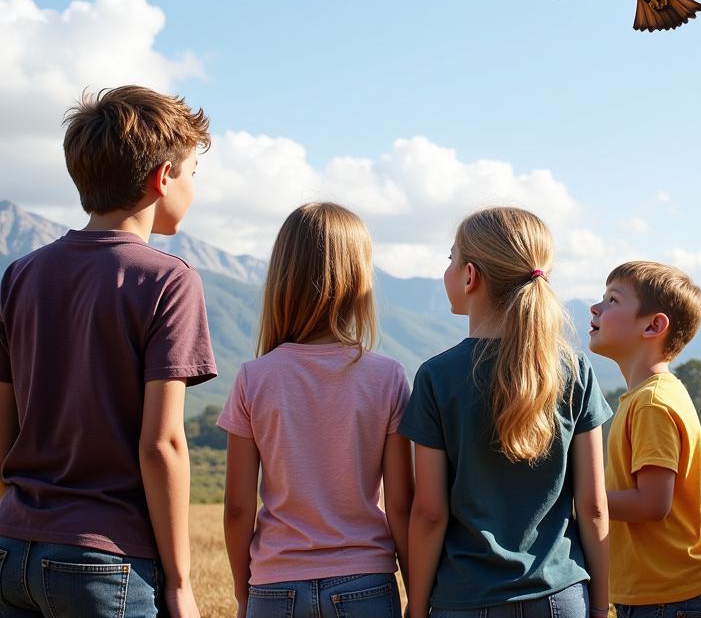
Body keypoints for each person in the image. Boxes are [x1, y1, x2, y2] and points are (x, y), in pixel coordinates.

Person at [0, 85, 217, 618]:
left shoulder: (21, 274)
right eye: (193, 172)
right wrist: (182, 584)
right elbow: (162, 444)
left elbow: (3, 430)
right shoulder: (169, 280)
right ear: (162, 177)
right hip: (105, 560)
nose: (194, 187)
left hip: (11, 549)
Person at [400, 206, 611, 618]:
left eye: (450, 259)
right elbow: (594, 506)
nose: (447, 270)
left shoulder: (436, 377)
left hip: (464, 600)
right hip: (561, 597)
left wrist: (417, 606)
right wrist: (600, 606)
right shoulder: (574, 370)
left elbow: (428, 512)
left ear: (470, 275)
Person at [219, 202, 413, 618]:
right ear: (359, 279)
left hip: (274, 586)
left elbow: (237, 509)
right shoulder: (388, 376)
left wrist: (242, 593)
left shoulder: (254, 377)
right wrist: (417, 593)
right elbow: (400, 505)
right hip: (367, 583)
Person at [588, 261, 701, 618]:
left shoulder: (651, 402)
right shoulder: (650, 396)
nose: (596, 308)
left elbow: (652, 504)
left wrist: (576, 500)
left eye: (612, 300)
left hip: (671, 600)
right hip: (666, 598)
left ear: (654, 325)